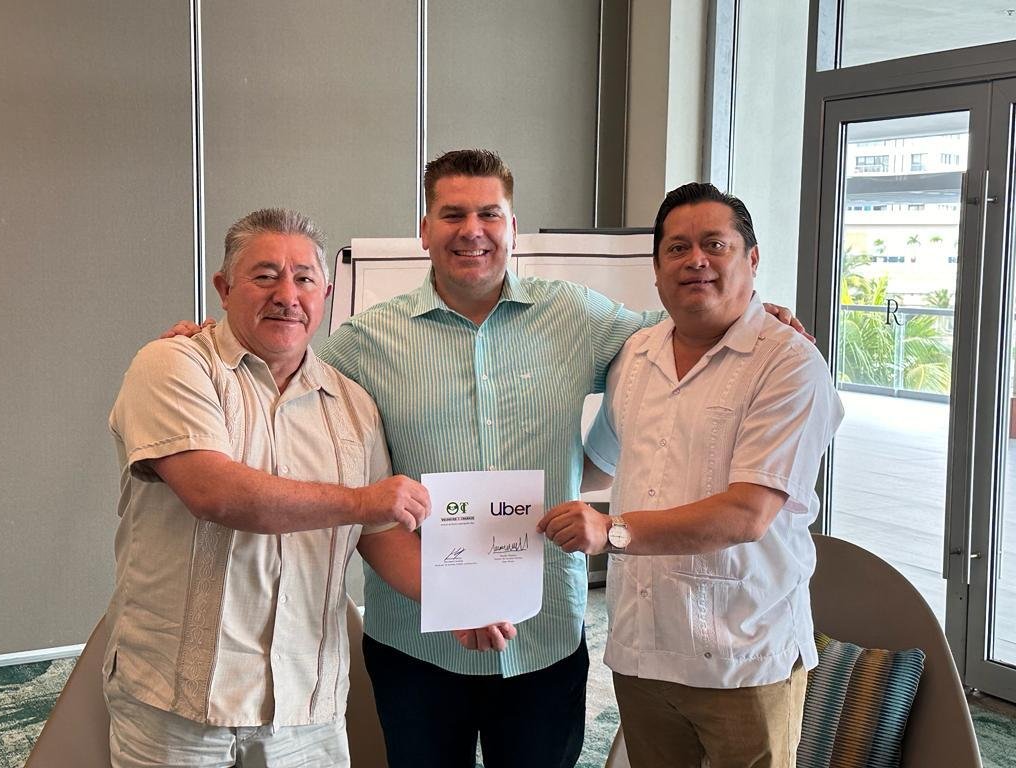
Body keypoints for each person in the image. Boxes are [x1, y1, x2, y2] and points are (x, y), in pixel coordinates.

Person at [163, 152, 806, 767]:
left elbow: (685, 323)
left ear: (512, 228)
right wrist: (207, 342)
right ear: (425, 230)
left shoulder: (577, 316)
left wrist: (757, 312)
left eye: (489, 214)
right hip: (417, 637)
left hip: (543, 633)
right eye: (452, 214)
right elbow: (284, 371)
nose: (472, 230)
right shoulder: (364, 341)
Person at [105, 208, 512, 768]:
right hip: (180, 702)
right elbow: (213, 492)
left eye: (304, 279)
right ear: (224, 288)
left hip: (307, 704)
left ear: (326, 293)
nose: (287, 296)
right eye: (265, 276)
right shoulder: (174, 366)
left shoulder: (353, 405)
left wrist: (455, 601)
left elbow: (379, 534)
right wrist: (361, 500)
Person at [539, 182, 844, 768]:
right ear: (657, 271)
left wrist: (612, 531)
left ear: (752, 259)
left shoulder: (788, 363)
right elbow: (595, 466)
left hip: (742, 658)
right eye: (677, 248)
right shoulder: (637, 355)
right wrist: (487, 501)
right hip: (642, 649)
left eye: (714, 244)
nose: (695, 260)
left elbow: (748, 513)